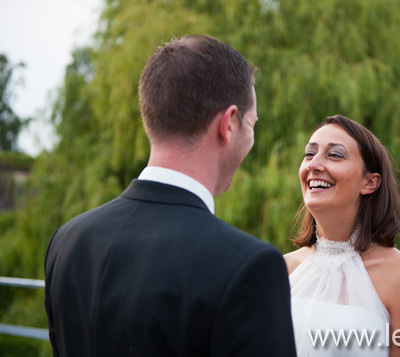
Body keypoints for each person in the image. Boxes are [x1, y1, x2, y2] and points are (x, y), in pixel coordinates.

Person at [44, 35, 296, 355]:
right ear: (230, 123)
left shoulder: (68, 240)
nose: (252, 134)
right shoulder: (248, 266)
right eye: (252, 123)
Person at [284, 115, 400, 356]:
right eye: (309, 154)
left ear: (370, 182)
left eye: (334, 154)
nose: (313, 164)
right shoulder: (282, 268)